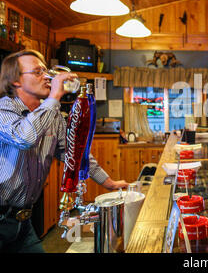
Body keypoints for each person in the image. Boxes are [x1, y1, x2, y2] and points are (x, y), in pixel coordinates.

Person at [0, 49, 129, 253]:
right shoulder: (3, 110)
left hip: (23, 221)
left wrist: (109, 183)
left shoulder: (51, 116)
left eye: (46, 71)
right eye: (37, 72)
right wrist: (54, 96)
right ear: (15, 80)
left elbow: (75, 154)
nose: (47, 77)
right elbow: (24, 137)